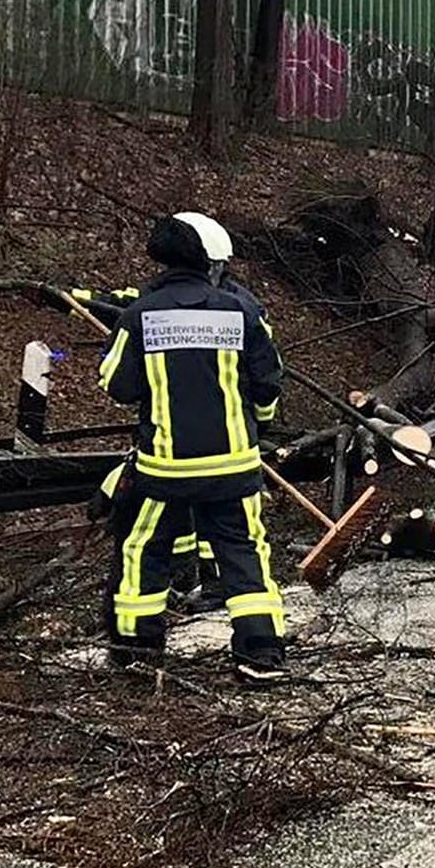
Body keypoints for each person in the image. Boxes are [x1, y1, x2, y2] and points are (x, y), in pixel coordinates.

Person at [95, 214, 287, 681]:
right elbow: (268, 383)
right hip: (235, 466)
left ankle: (136, 650)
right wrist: (256, 430)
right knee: (244, 552)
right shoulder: (240, 312)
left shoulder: (139, 316)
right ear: (209, 261)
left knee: (145, 550)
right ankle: (260, 654)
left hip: (165, 468)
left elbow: (115, 384)